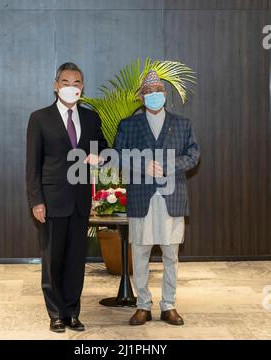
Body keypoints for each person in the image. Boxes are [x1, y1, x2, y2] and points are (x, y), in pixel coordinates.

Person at [114, 70, 200, 326]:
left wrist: (170, 165)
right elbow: (118, 155)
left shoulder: (182, 124)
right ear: (141, 97)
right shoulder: (128, 125)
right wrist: (142, 164)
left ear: (165, 95)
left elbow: (194, 154)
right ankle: (143, 305)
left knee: (170, 254)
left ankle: (168, 305)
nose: (154, 95)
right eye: (149, 92)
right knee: (139, 251)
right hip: (142, 197)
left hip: (171, 198)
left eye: (158, 91)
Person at [26, 62, 107, 332]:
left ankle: (72, 312)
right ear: (55, 85)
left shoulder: (91, 118)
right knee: (52, 260)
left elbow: (104, 150)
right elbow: (32, 164)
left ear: (82, 87)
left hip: (80, 201)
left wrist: (100, 156)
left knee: (75, 260)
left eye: (77, 83)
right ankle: (56, 314)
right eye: (66, 82)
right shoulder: (39, 118)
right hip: (50, 201)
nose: (71, 87)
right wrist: (36, 200)